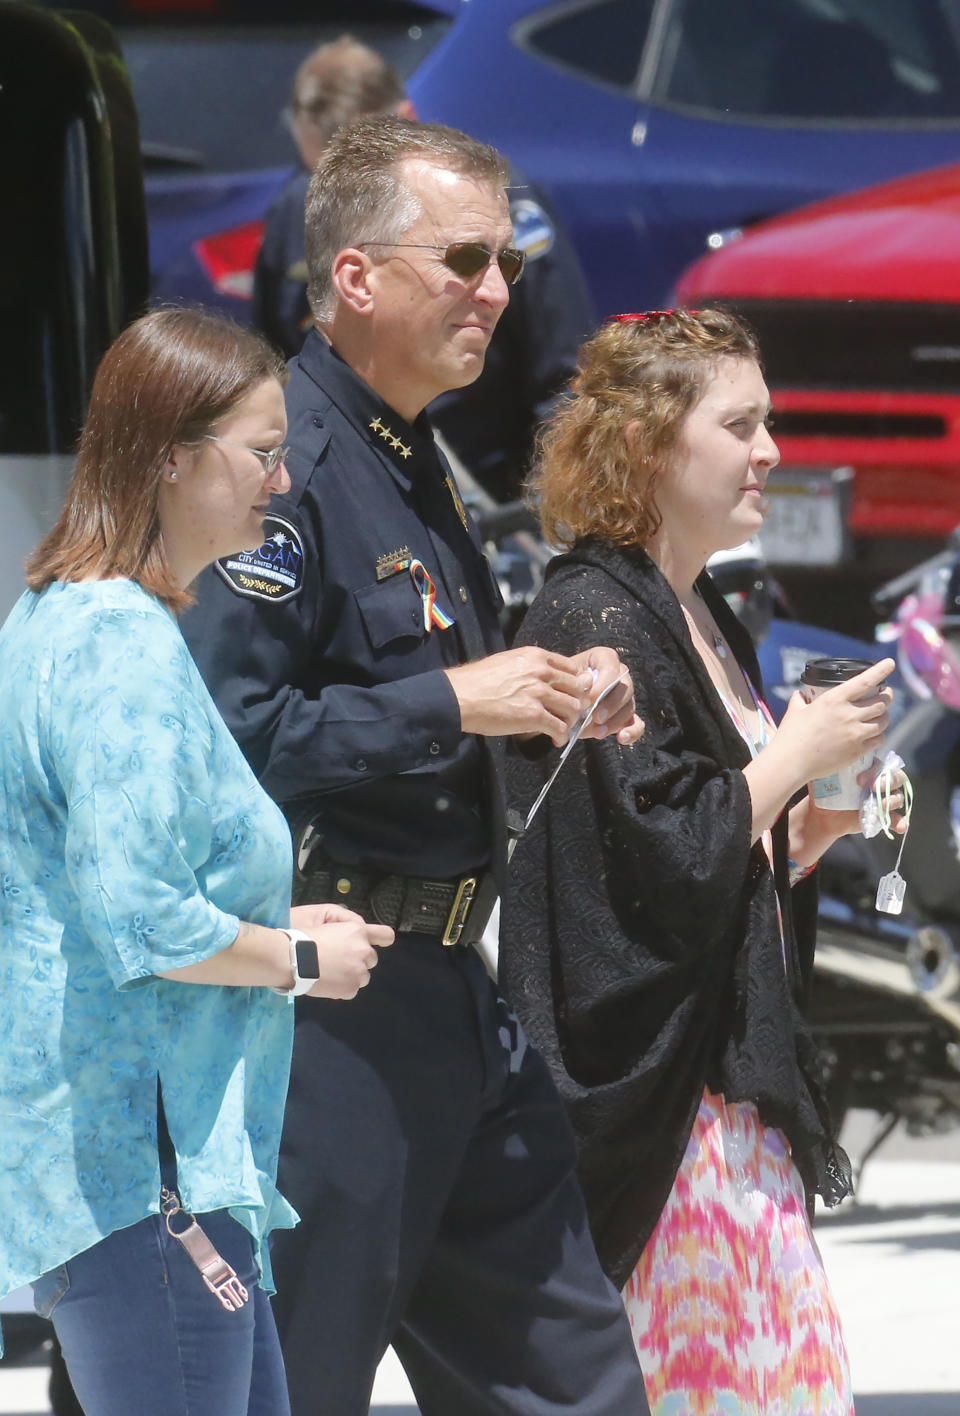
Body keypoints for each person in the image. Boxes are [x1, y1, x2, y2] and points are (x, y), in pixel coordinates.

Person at [181, 115, 651, 1416]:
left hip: (453, 999)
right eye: (464, 259)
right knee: (290, 1389)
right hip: (322, 1023)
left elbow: (437, 699)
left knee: (577, 1387)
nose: (499, 292)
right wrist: (453, 701)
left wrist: (543, 703)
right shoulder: (283, 469)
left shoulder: (409, 454)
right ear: (355, 277)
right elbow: (235, 739)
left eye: (504, 261)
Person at [501, 308, 906, 1415]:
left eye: (768, 422)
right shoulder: (595, 609)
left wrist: (804, 832)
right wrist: (793, 757)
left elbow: (705, 856)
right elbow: (662, 867)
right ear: (647, 448)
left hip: (728, 1101)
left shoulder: (694, 604)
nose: (771, 451)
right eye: (742, 425)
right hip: (667, 1118)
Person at [0, 307, 393, 1416]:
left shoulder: (67, 616)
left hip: (146, 1175)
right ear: (170, 456)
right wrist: (299, 959)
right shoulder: (115, 640)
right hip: (147, 1177)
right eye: (263, 454)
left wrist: (278, 929)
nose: (283, 483)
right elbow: (145, 920)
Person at [252, 34, 594, 502]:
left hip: (493, 480)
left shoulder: (496, 205)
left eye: (366, 169)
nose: (339, 196)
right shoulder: (297, 210)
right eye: (321, 174)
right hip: (351, 474)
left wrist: (545, 510)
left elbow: (562, 375)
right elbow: (272, 361)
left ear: (406, 119)